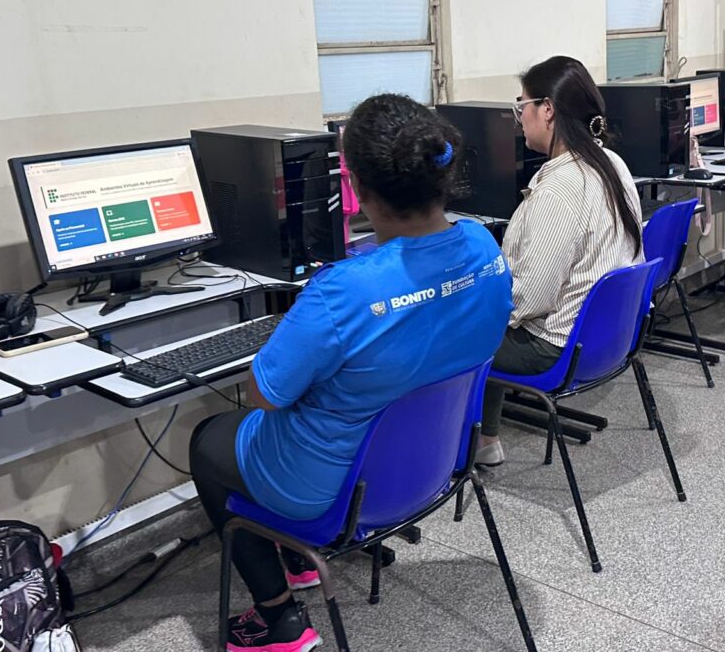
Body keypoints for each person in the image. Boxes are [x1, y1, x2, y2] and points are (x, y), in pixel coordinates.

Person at [190, 93, 512, 652]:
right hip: (431, 468)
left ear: (355, 186)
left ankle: (280, 623)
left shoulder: (342, 291)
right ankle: (299, 561)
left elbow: (265, 394)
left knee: (207, 439)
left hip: (336, 492)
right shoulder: (484, 244)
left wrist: (290, 338)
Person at [476, 55, 643, 467]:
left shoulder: (559, 189)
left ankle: (456, 453)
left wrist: (473, 306)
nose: (520, 119)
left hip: (555, 350)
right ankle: (486, 440)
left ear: (547, 110)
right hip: (609, 339)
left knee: (458, 332)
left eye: (523, 106)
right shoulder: (612, 165)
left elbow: (528, 300)